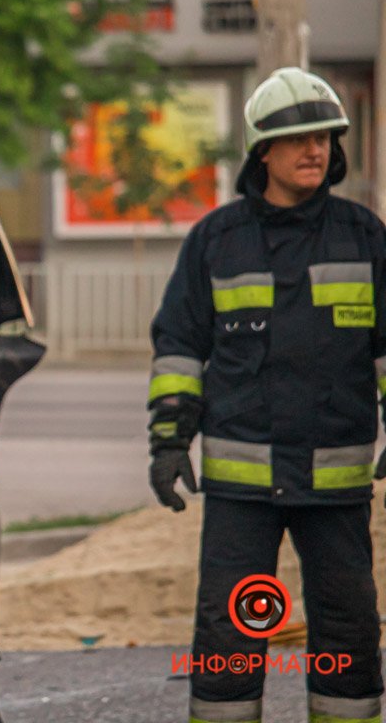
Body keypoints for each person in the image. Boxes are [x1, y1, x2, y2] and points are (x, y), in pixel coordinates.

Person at [148, 66, 385, 723]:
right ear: (263, 151)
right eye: (299, 138)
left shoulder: (364, 237)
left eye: (325, 139)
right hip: (241, 489)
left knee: (348, 633)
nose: (316, 150)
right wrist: (168, 441)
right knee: (231, 635)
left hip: (335, 486)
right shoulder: (215, 242)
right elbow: (178, 350)